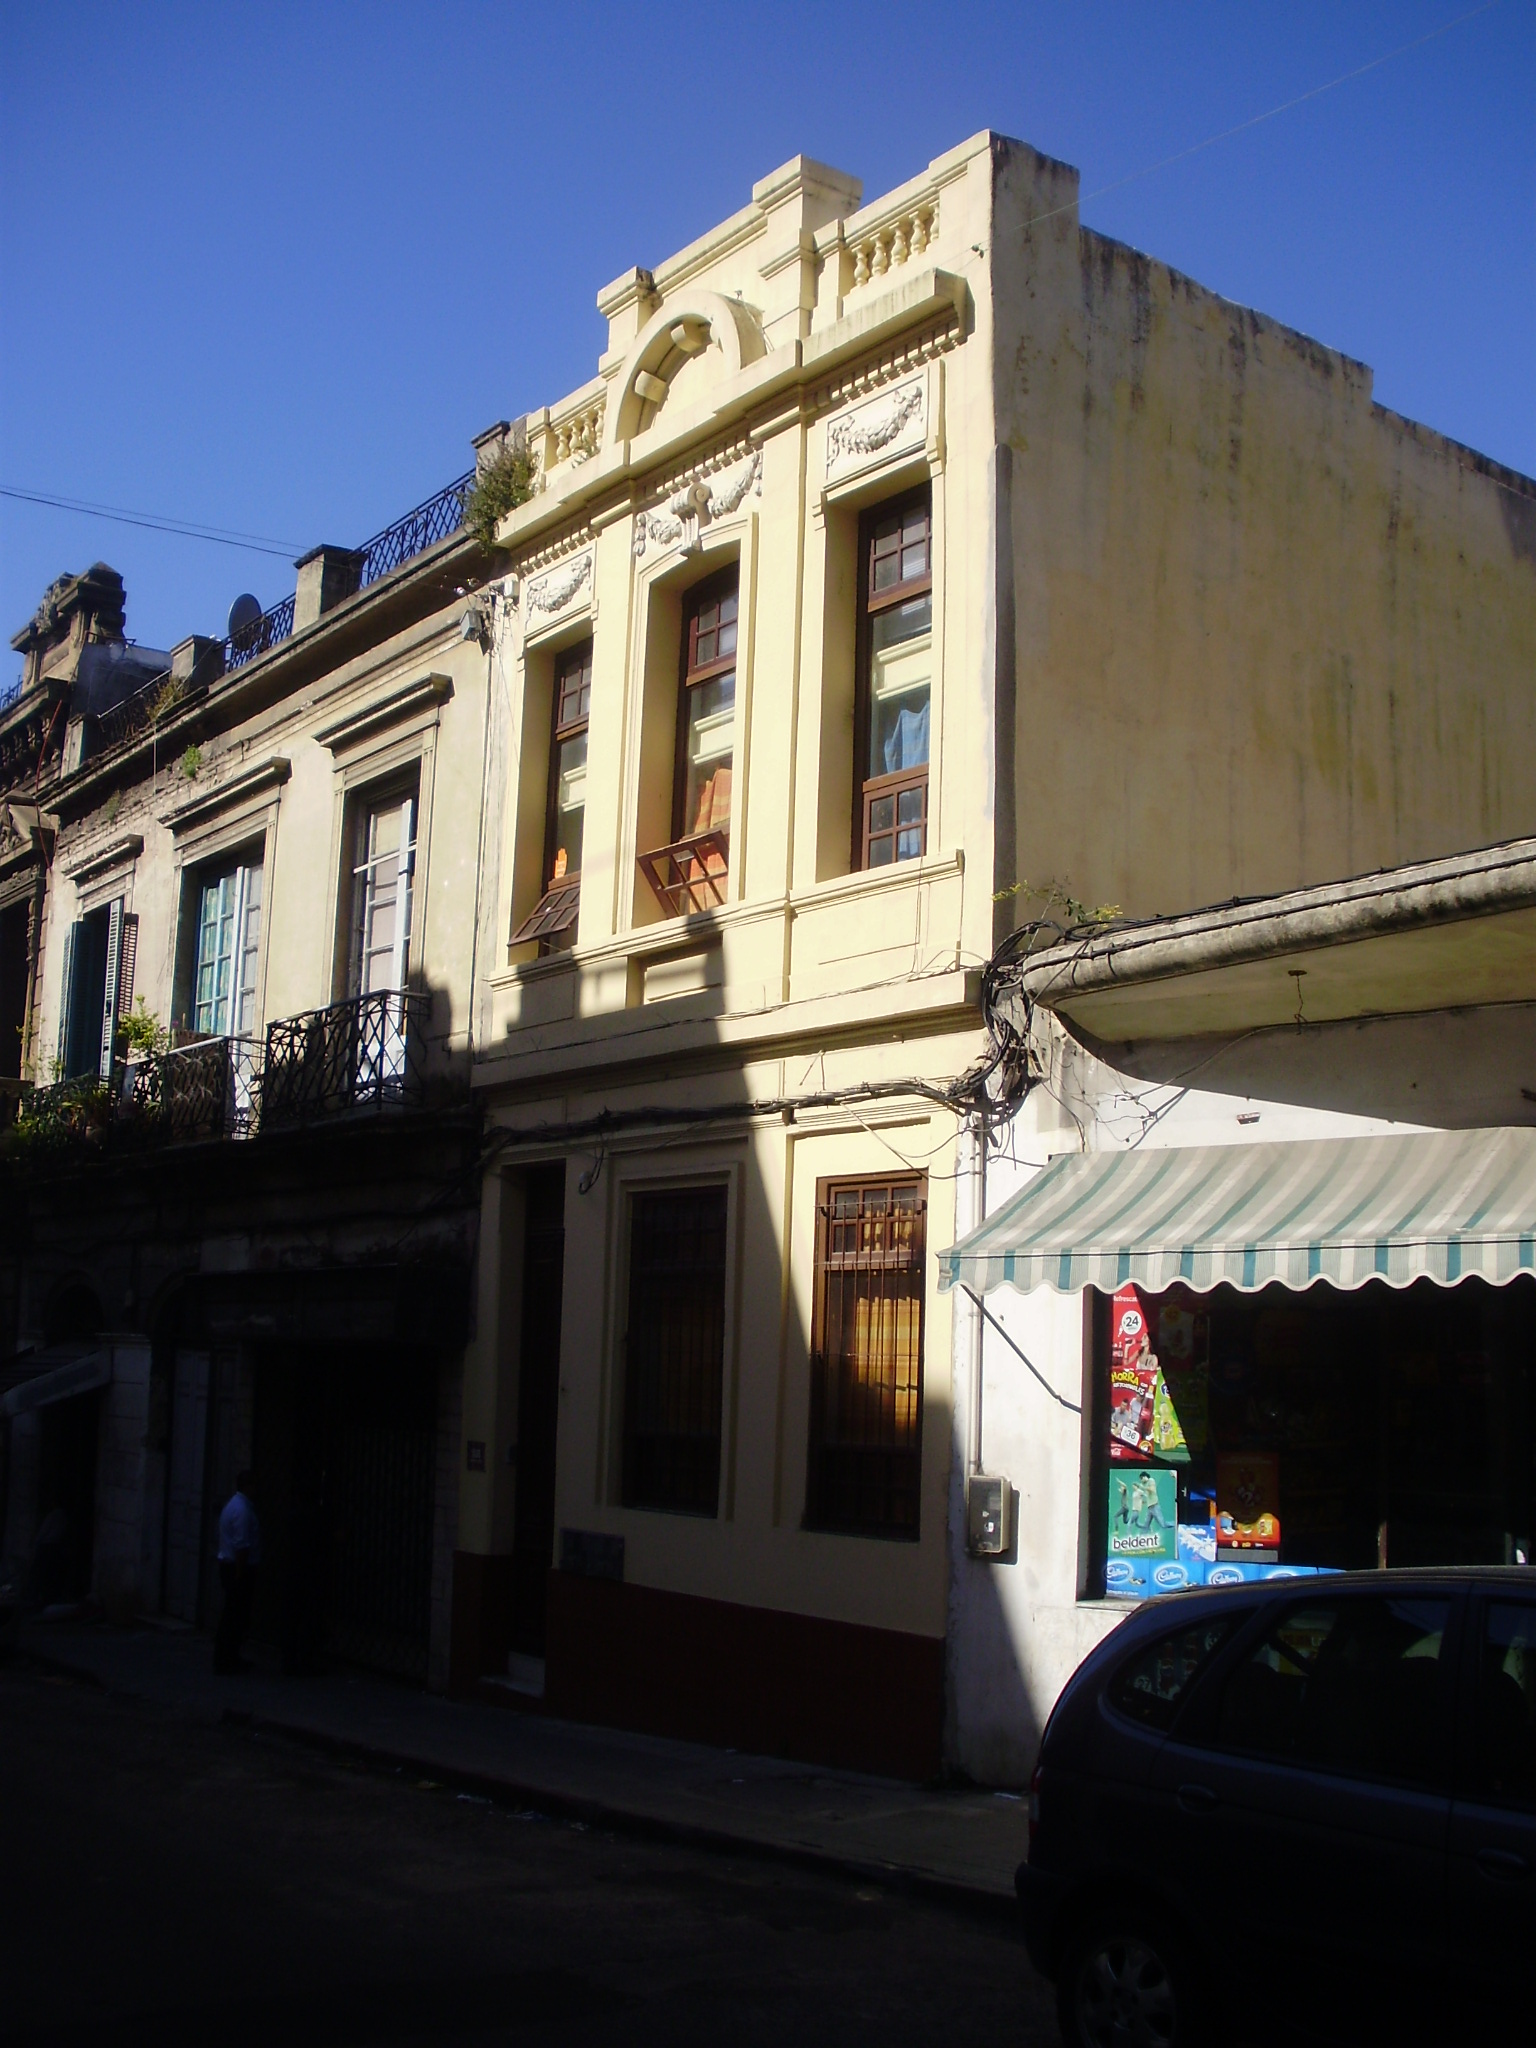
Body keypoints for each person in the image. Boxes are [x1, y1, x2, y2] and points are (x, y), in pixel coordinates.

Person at [214, 1470, 261, 1674]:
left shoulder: (234, 1505)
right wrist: (241, 1573)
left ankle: (228, 1656)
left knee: (233, 1614)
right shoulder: (242, 1510)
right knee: (235, 1615)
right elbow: (241, 1545)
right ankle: (227, 1658)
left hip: (231, 1566)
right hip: (237, 1567)